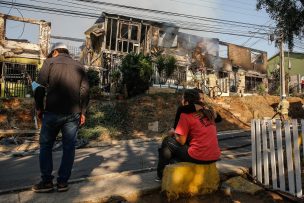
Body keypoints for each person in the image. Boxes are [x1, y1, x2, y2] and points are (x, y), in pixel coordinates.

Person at [32, 42, 90, 193]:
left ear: (55, 52)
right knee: (69, 148)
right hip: (73, 114)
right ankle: (63, 182)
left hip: (52, 112)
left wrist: (39, 108)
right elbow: (85, 90)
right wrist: (83, 111)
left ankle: (47, 182)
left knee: (46, 146)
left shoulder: (49, 62)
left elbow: (38, 87)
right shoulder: (79, 66)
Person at [157, 89, 221, 180]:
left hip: (199, 157)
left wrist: (173, 133)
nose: (181, 100)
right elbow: (217, 117)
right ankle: (174, 163)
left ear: (186, 100)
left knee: (167, 141)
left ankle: (161, 175)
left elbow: (181, 141)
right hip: (215, 156)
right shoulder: (209, 113)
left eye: (183, 98)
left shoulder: (185, 114)